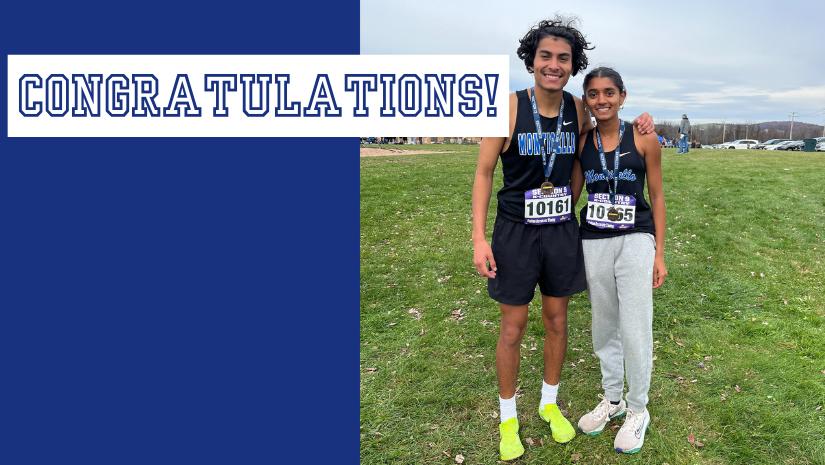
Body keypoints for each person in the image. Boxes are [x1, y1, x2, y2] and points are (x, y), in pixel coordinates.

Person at [471, 16, 655, 461]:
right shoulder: (508, 106)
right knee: (512, 328)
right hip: (514, 231)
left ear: (573, 66)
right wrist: (478, 237)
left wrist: (645, 123)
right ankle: (508, 417)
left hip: (559, 232)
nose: (553, 65)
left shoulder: (578, 109)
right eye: (545, 57)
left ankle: (549, 405)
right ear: (531, 61)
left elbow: (610, 132)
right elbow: (483, 172)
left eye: (563, 59)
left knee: (557, 321)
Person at [573, 67, 666, 454]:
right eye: (593, 94)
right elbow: (574, 190)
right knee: (604, 323)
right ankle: (613, 400)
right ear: (587, 100)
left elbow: (657, 196)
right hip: (594, 239)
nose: (602, 100)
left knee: (634, 325)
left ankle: (638, 409)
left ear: (623, 96)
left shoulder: (644, 137)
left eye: (609, 93)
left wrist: (660, 252)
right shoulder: (581, 142)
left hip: (636, 238)